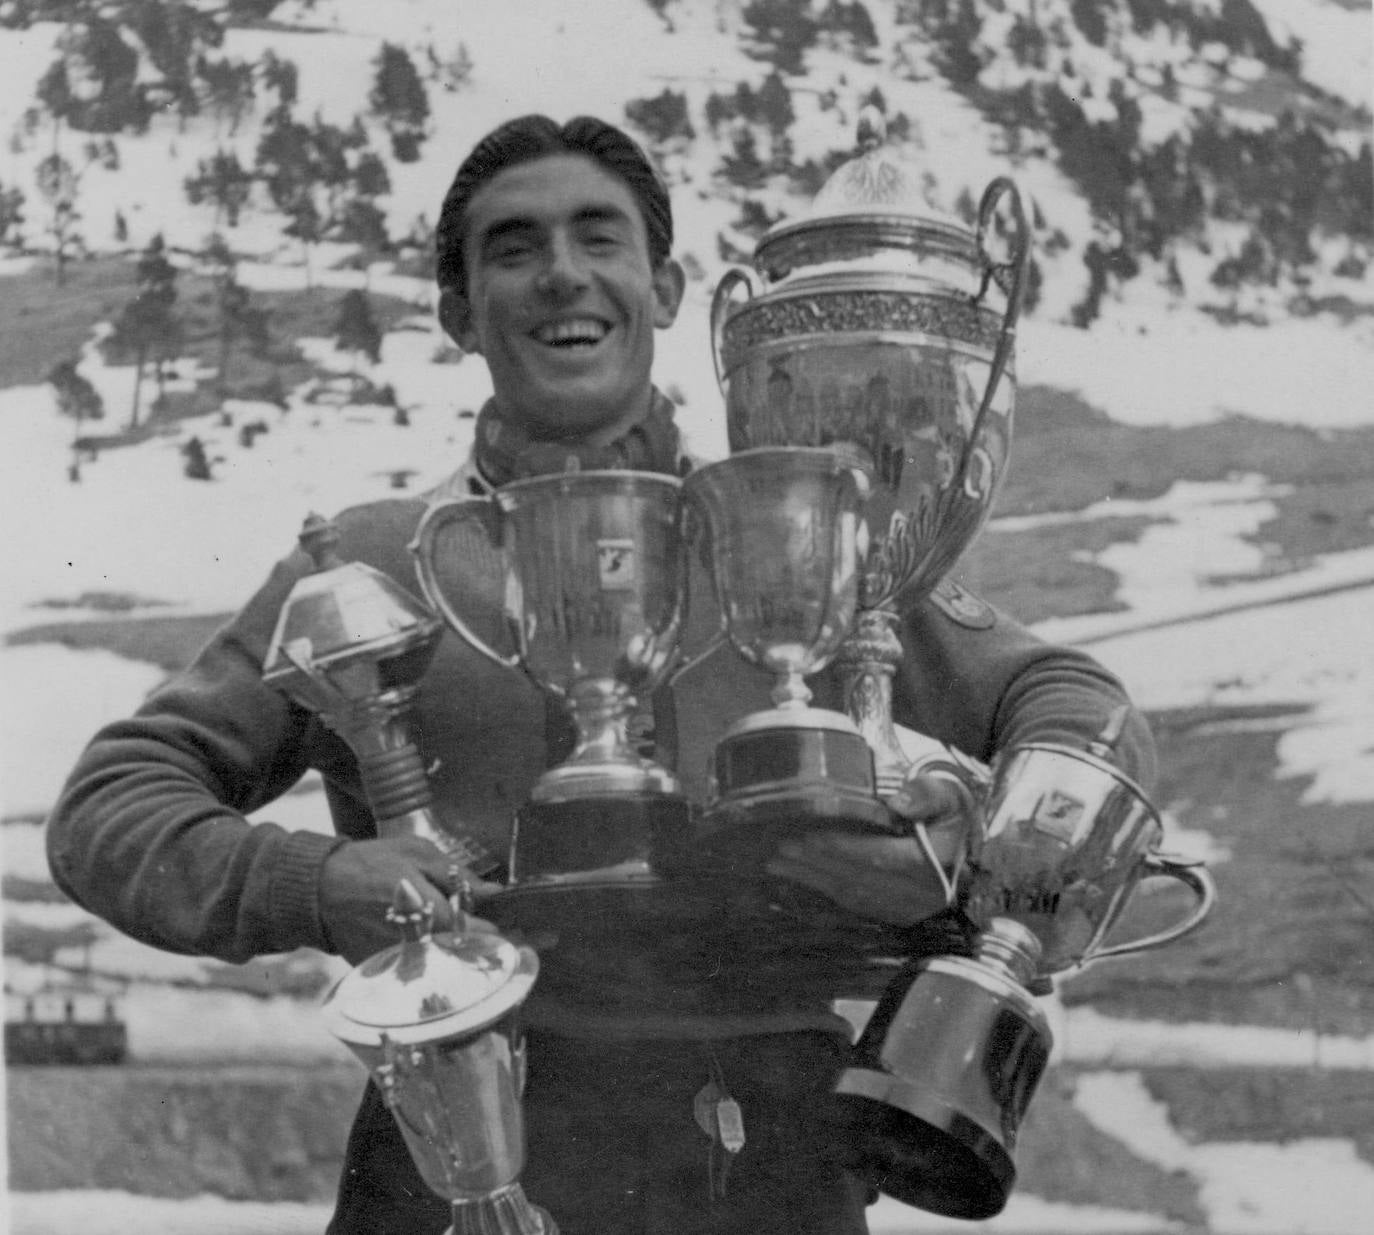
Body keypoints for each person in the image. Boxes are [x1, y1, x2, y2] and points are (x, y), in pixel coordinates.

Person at [47, 115, 1155, 1235]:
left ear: (668, 288)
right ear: (458, 312)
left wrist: (990, 846)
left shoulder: (793, 536)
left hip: (773, 1161)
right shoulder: (373, 564)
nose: (562, 274)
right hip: (464, 1155)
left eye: (599, 238)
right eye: (514, 248)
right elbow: (112, 808)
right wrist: (314, 881)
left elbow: (1071, 703)